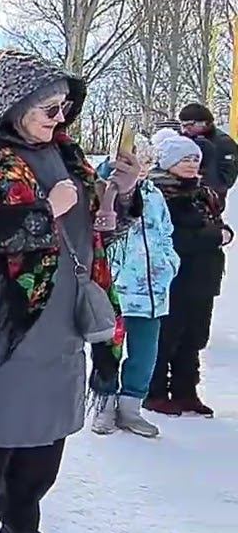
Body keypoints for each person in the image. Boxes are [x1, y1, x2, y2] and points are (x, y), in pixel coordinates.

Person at [0, 50, 142, 533]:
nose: (59, 119)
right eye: (48, 108)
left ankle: (22, 527)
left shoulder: (69, 157)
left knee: (47, 432)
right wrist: (40, 212)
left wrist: (120, 190)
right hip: (2, 323)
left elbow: (94, 230)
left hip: (61, 320)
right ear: (13, 106)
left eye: (64, 108)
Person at [90, 133, 178, 438]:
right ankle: (104, 405)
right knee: (109, 351)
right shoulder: (102, 187)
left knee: (144, 354)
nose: (140, 166)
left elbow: (166, 232)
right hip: (116, 291)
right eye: (134, 158)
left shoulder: (154, 194)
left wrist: (169, 263)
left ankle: (131, 408)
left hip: (152, 292)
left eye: (146, 161)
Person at [145, 129, 232, 418]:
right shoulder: (160, 194)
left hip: (204, 275)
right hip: (173, 276)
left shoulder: (202, 192)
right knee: (168, 335)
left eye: (195, 159)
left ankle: (186, 390)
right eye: (184, 159)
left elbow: (216, 224)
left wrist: (222, 233)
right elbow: (173, 238)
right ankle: (155, 391)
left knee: (194, 337)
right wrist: (214, 237)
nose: (192, 164)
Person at [178, 102, 238, 203]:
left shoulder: (224, 143)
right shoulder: (182, 140)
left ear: (205, 123)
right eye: (183, 125)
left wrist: (201, 179)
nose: (186, 129)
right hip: (181, 199)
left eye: (190, 124)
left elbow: (226, 180)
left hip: (209, 201)